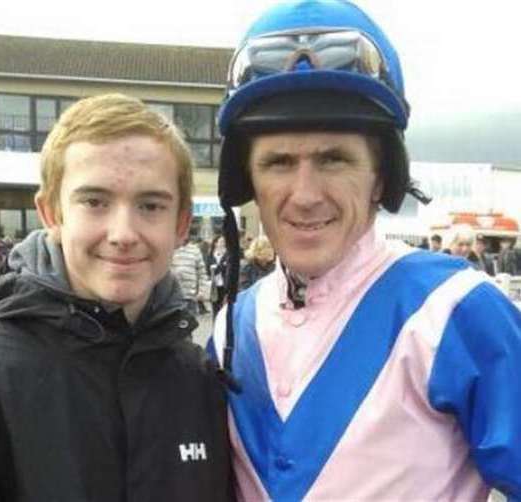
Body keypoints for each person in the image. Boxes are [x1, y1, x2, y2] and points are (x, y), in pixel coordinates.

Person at [208, 1, 521, 500]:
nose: (305, 194)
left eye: (334, 160)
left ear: (383, 178)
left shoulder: (457, 310)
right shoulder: (229, 329)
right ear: (247, 182)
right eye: (279, 163)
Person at [0, 93, 233, 501]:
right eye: (95, 202)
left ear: (181, 224)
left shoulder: (200, 382)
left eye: (150, 205)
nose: (123, 234)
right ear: (52, 215)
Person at [171, 237, 210, 316]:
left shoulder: (195, 250)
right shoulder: (171, 248)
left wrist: (202, 291)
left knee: (189, 325)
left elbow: (202, 272)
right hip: (173, 297)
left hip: (190, 297)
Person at [207, 234, 228, 319]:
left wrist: (218, 267)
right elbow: (208, 268)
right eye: (221, 242)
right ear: (215, 243)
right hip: (214, 285)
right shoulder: (211, 255)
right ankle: (215, 327)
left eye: (224, 242)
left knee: (224, 308)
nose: (223, 243)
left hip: (225, 284)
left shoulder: (228, 254)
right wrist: (222, 265)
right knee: (215, 308)